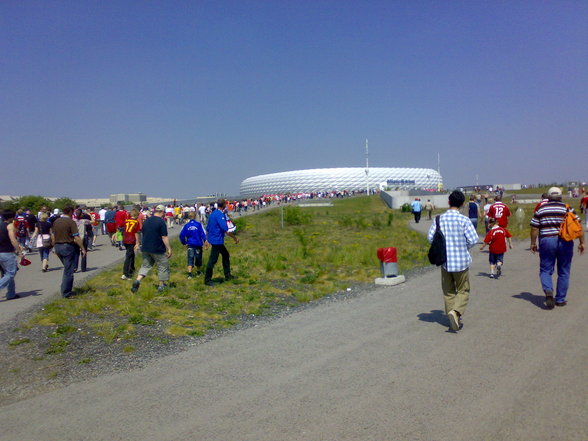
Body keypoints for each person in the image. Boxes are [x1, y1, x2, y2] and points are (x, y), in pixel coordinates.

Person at [427, 190, 479, 331]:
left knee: (449, 292)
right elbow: (474, 239)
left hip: (445, 261)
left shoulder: (439, 219)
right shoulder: (464, 220)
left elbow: (430, 238)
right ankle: (456, 312)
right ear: (462, 204)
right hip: (461, 261)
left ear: (449, 202)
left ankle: (453, 319)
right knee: (463, 290)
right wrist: (464, 247)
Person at [530, 187, 585, 308]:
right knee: (564, 271)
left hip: (547, 240)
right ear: (560, 196)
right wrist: (582, 242)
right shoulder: (567, 207)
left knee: (545, 270)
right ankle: (560, 299)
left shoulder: (541, 209)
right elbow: (578, 225)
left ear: (548, 197)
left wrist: (533, 243)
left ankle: (548, 290)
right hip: (565, 241)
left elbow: (534, 228)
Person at [131, 205, 172, 293]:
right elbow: (164, 237)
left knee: (146, 265)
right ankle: (161, 285)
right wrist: (169, 248)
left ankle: (138, 280)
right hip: (157, 248)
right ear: (162, 212)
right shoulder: (161, 222)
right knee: (162, 266)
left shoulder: (147, 221)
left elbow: (143, 232)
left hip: (146, 247)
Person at [52, 206, 86, 298]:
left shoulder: (56, 221)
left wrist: (53, 246)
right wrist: (82, 248)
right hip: (67, 246)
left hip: (58, 246)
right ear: (71, 212)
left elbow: (53, 235)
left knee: (67, 268)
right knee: (69, 271)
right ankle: (66, 292)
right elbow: (76, 237)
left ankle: (64, 287)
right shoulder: (71, 222)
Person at [204, 199, 239, 286]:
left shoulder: (213, 214)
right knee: (213, 260)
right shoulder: (220, 215)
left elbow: (207, 228)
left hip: (214, 239)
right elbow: (225, 229)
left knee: (225, 255)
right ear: (223, 205)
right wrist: (235, 238)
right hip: (217, 240)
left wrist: (207, 239)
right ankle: (207, 280)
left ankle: (227, 275)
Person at [0, 210, 23, 300]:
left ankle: (11, 293)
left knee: (7, 273)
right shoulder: (9, 226)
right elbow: (13, 239)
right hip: (7, 252)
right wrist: (19, 251)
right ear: (11, 217)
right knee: (11, 273)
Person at [180, 211, 209, 278]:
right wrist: (205, 241)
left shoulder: (186, 226)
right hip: (198, 243)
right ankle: (198, 272)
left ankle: (189, 273)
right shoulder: (199, 225)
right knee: (198, 258)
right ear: (195, 216)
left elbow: (181, 235)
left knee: (190, 258)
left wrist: (184, 242)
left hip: (190, 244)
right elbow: (202, 234)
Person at [121, 209, 141, 280]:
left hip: (125, 239)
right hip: (131, 239)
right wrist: (137, 243)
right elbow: (136, 232)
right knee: (128, 257)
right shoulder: (136, 222)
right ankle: (126, 273)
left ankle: (132, 269)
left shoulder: (126, 220)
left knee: (132, 255)